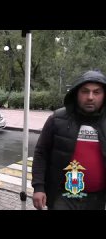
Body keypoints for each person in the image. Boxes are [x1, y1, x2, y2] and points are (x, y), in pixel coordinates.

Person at [32, 70, 106, 210]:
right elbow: (41, 153)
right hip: (63, 196)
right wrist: (39, 187)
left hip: (97, 199)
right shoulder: (57, 119)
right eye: (85, 91)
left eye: (97, 92)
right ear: (76, 93)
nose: (90, 97)